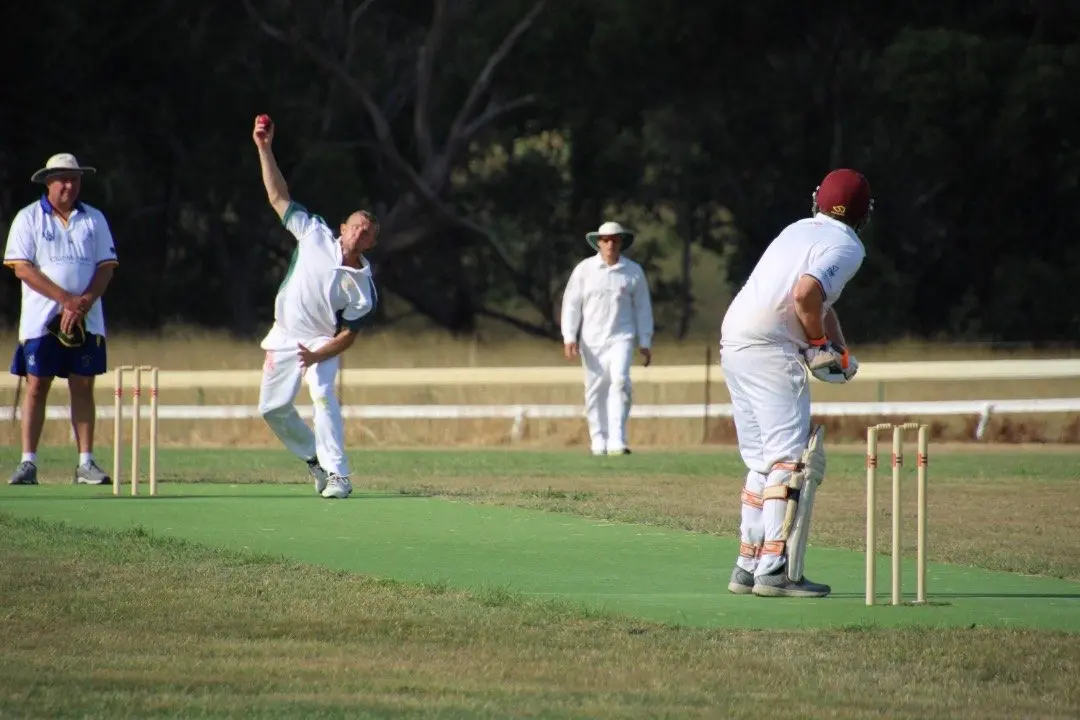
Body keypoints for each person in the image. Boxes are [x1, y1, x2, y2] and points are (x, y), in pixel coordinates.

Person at [719, 168, 870, 598]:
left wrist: (836, 348)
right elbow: (806, 294)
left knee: (762, 461)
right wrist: (818, 345)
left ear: (818, 200)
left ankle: (747, 566)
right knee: (789, 462)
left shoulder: (798, 229)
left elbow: (818, 300)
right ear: (863, 213)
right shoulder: (848, 245)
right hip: (771, 347)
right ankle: (776, 571)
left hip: (736, 338)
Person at [252, 114, 378, 500]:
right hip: (285, 336)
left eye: (368, 231)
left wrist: (318, 352)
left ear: (372, 242)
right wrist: (264, 147)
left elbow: (348, 336)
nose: (360, 232)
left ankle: (339, 476)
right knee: (272, 408)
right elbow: (278, 197)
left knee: (323, 396)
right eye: (355, 225)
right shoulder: (314, 232)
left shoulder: (363, 288)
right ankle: (315, 461)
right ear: (342, 227)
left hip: (322, 342)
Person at [4, 153, 118, 486]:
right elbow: (22, 267)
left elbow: (106, 268)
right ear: (48, 182)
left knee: (83, 385)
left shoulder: (94, 219)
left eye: (75, 179)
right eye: (63, 179)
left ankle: (85, 462)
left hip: (87, 319)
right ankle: (28, 462)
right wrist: (64, 299)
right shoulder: (28, 218)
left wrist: (83, 302)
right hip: (42, 321)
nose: (70, 185)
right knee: (37, 385)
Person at [560, 221, 654, 456]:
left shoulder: (633, 271)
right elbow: (572, 304)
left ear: (621, 242)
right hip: (591, 340)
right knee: (595, 388)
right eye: (605, 240)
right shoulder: (584, 270)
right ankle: (598, 439)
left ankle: (617, 440)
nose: (610, 244)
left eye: (614, 239)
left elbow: (643, 308)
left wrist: (645, 341)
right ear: (598, 243)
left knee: (620, 381)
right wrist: (569, 336)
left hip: (621, 337)